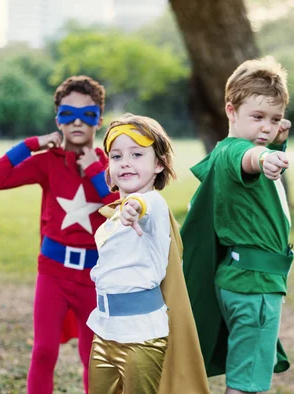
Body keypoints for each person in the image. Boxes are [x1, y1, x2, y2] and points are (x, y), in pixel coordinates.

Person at [0, 76, 117, 393]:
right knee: (44, 351)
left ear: (99, 118)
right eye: (69, 114)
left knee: (93, 356)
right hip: (53, 272)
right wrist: (32, 145)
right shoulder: (48, 163)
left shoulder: (108, 165)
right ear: (58, 119)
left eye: (88, 114)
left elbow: (120, 208)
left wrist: (95, 171)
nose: (78, 123)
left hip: (94, 275)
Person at [181, 56, 294, 394]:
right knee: (246, 385)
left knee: (244, 372)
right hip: (254, 286)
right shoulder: (236, 152)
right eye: (257, 117)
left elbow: (256, 163)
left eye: (275, 119)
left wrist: (275, 145)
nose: (266, 127)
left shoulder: (228, 149)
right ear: (230, 111)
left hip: (242, 280)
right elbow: (250, 160)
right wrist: (267, 156)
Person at [88, 114, 209, 394]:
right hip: (105, 331)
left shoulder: (151, 204)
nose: (125, 162)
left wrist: (135, 207)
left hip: (140, 337)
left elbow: (143, 206)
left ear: (158, 164)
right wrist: (125, 210)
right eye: (116, 156)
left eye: (137, 154)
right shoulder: (116, 214)